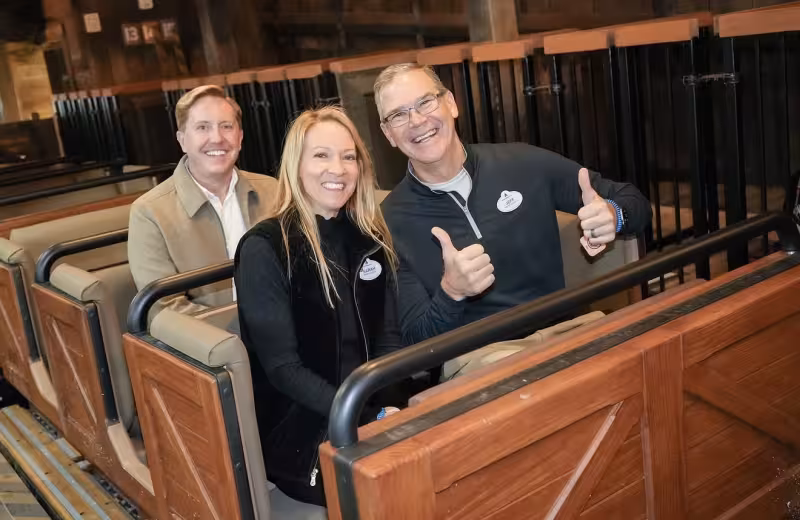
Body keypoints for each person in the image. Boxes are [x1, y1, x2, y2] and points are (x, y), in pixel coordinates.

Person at [374, 63, 653, 345]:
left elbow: (634, 201)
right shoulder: (388, 223)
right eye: (398, 115)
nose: (417, 120)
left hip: (566, 333)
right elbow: (413, 339)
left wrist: (613, 215)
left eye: (425, 102)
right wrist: (451, 293)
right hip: (479, 359)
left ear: (450, 103)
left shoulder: (522, 163)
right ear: (388, 135)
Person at [234, 106, 405, 506]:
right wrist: (362, 417)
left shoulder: (369, 239)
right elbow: (283, 370)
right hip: (301, 431)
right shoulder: (266, 248)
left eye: (349, 157)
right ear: (297, 165)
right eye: (322, 155)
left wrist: (389, 409)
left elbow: (389, 339)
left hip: (369, 406)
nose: (338, 169)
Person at [128, 85, 276, 315]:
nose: (217, 138)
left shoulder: (274, 190)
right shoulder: (149, 212)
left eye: (226, 126)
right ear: (182, 140)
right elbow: (166, 309)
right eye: (202, 128)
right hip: (215, 344)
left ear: (240, 137)